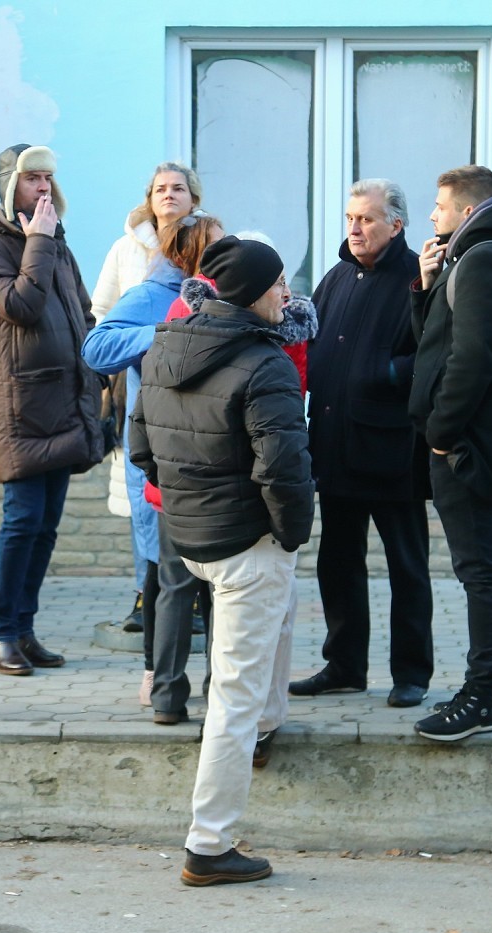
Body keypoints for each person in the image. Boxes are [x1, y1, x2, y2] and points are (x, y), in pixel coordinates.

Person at [128, 236, 313, 886]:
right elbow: (285, 471)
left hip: (192, 538)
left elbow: (142, 449)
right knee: (233, 700)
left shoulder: (165, 346)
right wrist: (289, 536)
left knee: (270, 636)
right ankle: (208, 845)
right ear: (254, 292)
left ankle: (268, 723)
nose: (287, 294)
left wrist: (187, 506)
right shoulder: (267, 365)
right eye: (279, 283)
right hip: (246, 546)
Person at [407, 165, 492, 741]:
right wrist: (426, 285)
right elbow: (437, 342)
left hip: (469, 440)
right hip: (477, 433)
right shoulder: (486, 253)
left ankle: (483, 696)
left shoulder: (485, 258)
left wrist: (442, 430)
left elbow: (472, 357)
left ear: (466, 210)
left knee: (480, 571)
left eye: (439, 206)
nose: (432, 215)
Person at [291, 178, 433, 708]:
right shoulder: (336, 276)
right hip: (334, 443)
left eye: (366, 219)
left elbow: (436, 354)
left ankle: (412, 673)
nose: (355, 228)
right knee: (337, 562)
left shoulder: (420, 276)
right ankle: (344, 666)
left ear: (396, 224)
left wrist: (383, 374)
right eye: (351, 218)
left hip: (392, 449)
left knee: (406, 567)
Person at [0, 143, 105, 676]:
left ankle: (24, 629)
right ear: (10, 185)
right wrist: (40, 241)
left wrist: (97, 367)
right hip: (21, 403)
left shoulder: (54, 242)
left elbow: (81, 311)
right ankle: (2, 635)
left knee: (45, 526)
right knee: (22, 522)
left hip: (65, 398)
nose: (43, 187)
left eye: (47, 177)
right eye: (32, 178)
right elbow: (19, 306)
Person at [85, 213, 224, 720]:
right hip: (163, 457)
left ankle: (217, 687)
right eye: (216, 247)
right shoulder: (152, 293)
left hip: (214, 460)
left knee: (212, 585)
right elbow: (96, 348)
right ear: (188, 254)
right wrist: (167, 332)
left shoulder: (224, 294)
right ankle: (157, 677)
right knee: (164, 577)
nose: (225, 255)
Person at [91, 162, 203, 634]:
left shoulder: (208, 242)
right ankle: (148, 592)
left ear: (194, 198)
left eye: (178, 188)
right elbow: (102, 315)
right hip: (138, 383)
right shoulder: (127, 248)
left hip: (198, 391)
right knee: (143, 494)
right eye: (161, 188)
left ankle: (191, 598)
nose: (169, 194)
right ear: (149, 197)